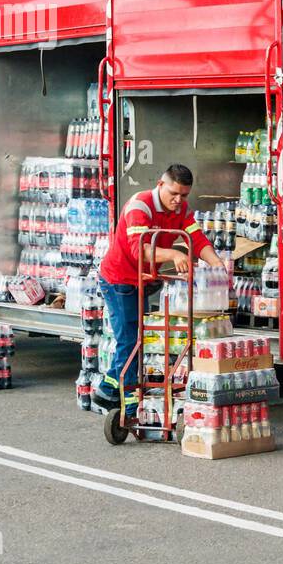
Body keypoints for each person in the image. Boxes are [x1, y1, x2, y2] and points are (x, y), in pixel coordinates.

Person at [92, 164, 224, 412]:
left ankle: (108, 389)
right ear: (160, 185)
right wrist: (174, 253)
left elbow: (196, 238)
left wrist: (216, 263)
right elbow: (138, 250)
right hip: (119, 279)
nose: (178, 200)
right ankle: (130, 404)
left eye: (184, 195)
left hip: (143, 280)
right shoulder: (139, 206)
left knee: (139, 339)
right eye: (173, 193)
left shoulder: (182, 209)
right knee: (130, 340)